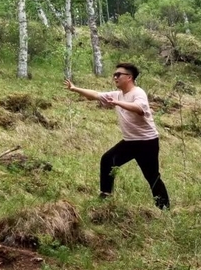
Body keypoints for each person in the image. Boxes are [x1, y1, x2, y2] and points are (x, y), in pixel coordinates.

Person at [63, 63, 170, 210]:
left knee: (152, 176)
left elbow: (139, 109)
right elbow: (95, 94)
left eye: (118, 74)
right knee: (108, 160)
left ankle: (164, 208)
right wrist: (75, 89)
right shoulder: (117, 95)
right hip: (129, 142)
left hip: (147, 142)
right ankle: (105, 196)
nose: (115, 77)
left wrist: (119, 102)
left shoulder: (138, 92)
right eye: (114, 75)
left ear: (129, 77)